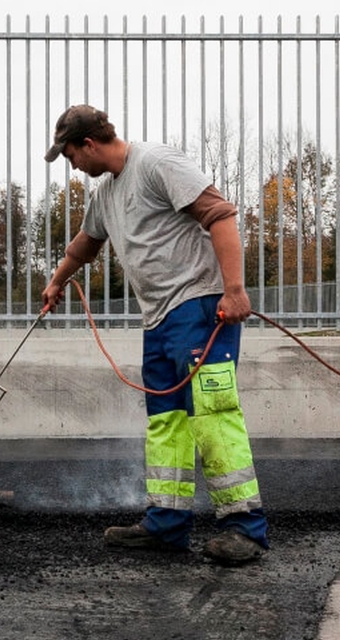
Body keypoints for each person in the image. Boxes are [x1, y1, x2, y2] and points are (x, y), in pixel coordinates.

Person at [40, 105, 269, 566]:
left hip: (201, 308)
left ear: (88, 144)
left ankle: (245, 527)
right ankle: (167, 522)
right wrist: (57, 280)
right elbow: (86, 244)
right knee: (167, 420)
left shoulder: (157, 164)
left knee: (213, 413)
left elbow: (220, 215)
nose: (73, 168)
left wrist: (235, 290)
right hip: (159, 319)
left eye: (70, 156)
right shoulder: (106, 195)